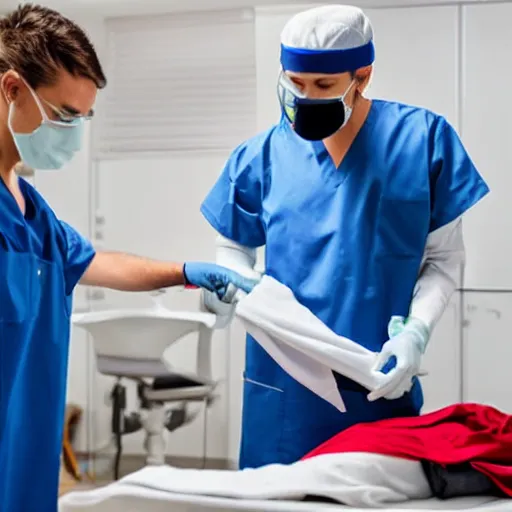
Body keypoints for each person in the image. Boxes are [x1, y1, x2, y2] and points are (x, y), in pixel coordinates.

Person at [200, 4, 490, 469]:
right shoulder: (260, 156)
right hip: (283, 389)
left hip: (377, 383)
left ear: (363, 76)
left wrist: (415, 334)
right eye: (294, 83)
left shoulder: (423, 141)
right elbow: (232, 247)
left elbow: (444, 259)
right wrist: (233, 285)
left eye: (323, 86)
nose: (305, 97)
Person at [0, 5, 258, 511]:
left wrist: (185, 272)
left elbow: (96, 263)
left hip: (25, 463)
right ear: (12, 89)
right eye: (64, 115)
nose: (73, 131)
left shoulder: (32, 211)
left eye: (83, 118)